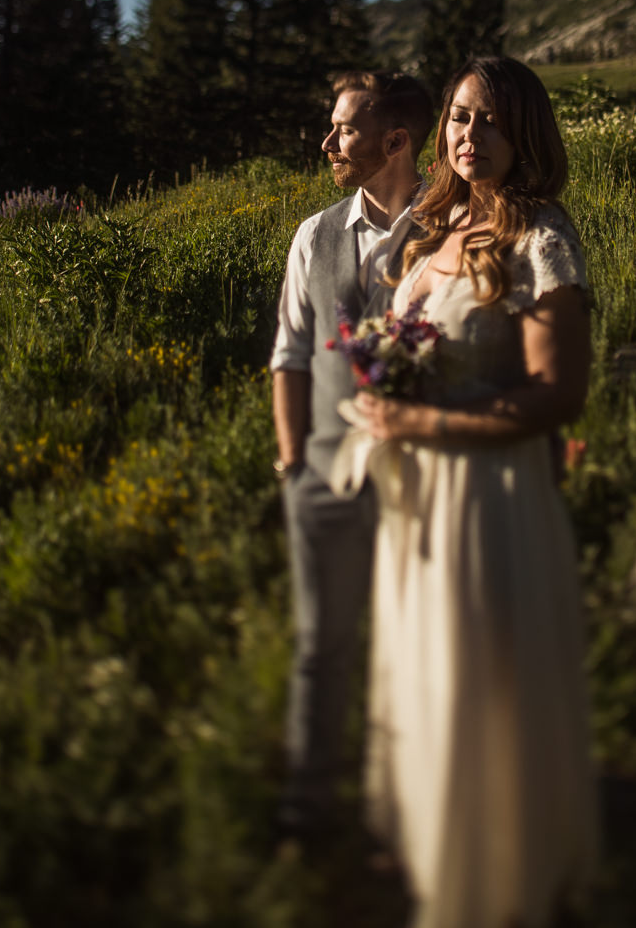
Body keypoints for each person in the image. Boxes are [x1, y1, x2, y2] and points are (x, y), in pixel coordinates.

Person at [344, 57, 599, 927]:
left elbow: (557, 395)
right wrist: (386, 392)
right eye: (458, 117)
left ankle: (496, 889)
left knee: (483, 701)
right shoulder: (435, 228)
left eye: (489, 120)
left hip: (488, 506)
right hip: (418, 509)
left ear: (523, 134)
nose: (468, 135)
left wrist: (425, 425)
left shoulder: (541, 236)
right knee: (427, 685)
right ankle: (436, 865)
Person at [270, 69, 435, 838]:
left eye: (344, 129)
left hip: (430, 477)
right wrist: (292, 462)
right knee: (322, 645)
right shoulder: (314, 234)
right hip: (327, 475)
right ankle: (308, 811)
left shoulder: (455, 223)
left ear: (395, 140)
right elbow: (291, 355)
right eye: (331, 127)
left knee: (422, 647)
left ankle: (408, 811)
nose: (328, 141)